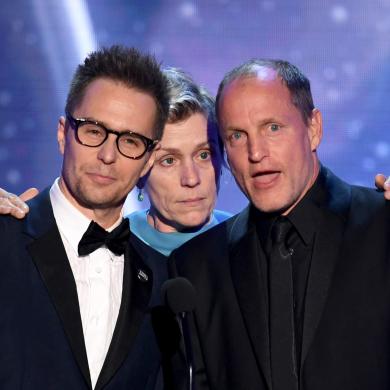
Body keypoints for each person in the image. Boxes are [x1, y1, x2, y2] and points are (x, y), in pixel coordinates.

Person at [169, 59, 390, 390]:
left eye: (272, 127)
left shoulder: (382, 225)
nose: (256, 152)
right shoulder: (197, 267)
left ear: (313, 128)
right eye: (237, 136)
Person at [0, 45, 171, 390]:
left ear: (148, 160)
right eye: (94, 131)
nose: (108, 155)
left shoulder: (162, 281)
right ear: (64, 134)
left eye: (131, 141)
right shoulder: (5, 238)